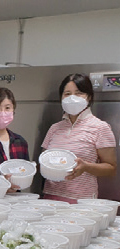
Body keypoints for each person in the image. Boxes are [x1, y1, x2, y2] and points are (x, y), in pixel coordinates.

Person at [41, 73, 116, 203]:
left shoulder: (100, 127)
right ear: (61, 98)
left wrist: (86, 166)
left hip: (81, 201)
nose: (72, 98)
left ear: (89, 96)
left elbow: (111, 168)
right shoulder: (54, 128)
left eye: (79, 93)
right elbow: (44, 161)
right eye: (67, 94)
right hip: (50, 197)